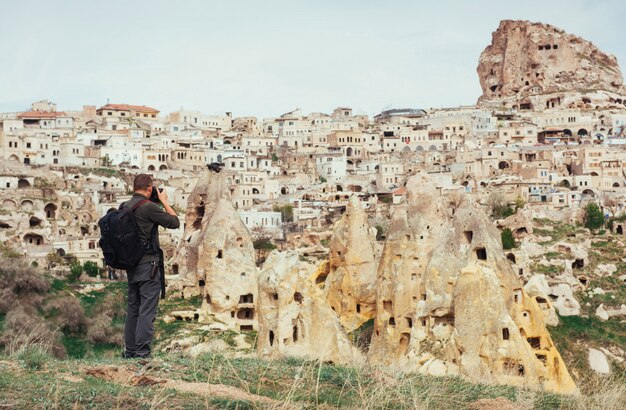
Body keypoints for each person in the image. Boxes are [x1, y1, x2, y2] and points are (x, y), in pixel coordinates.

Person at [123, 174, 180, 359]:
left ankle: (130, 351)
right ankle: (142, 353)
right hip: (149, 265)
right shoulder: (148, 207)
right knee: (147, 310)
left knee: (133, 309)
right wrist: (163, 201)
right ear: (149, 188)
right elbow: (174, 222)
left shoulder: (125, 206)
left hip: (131, 265)